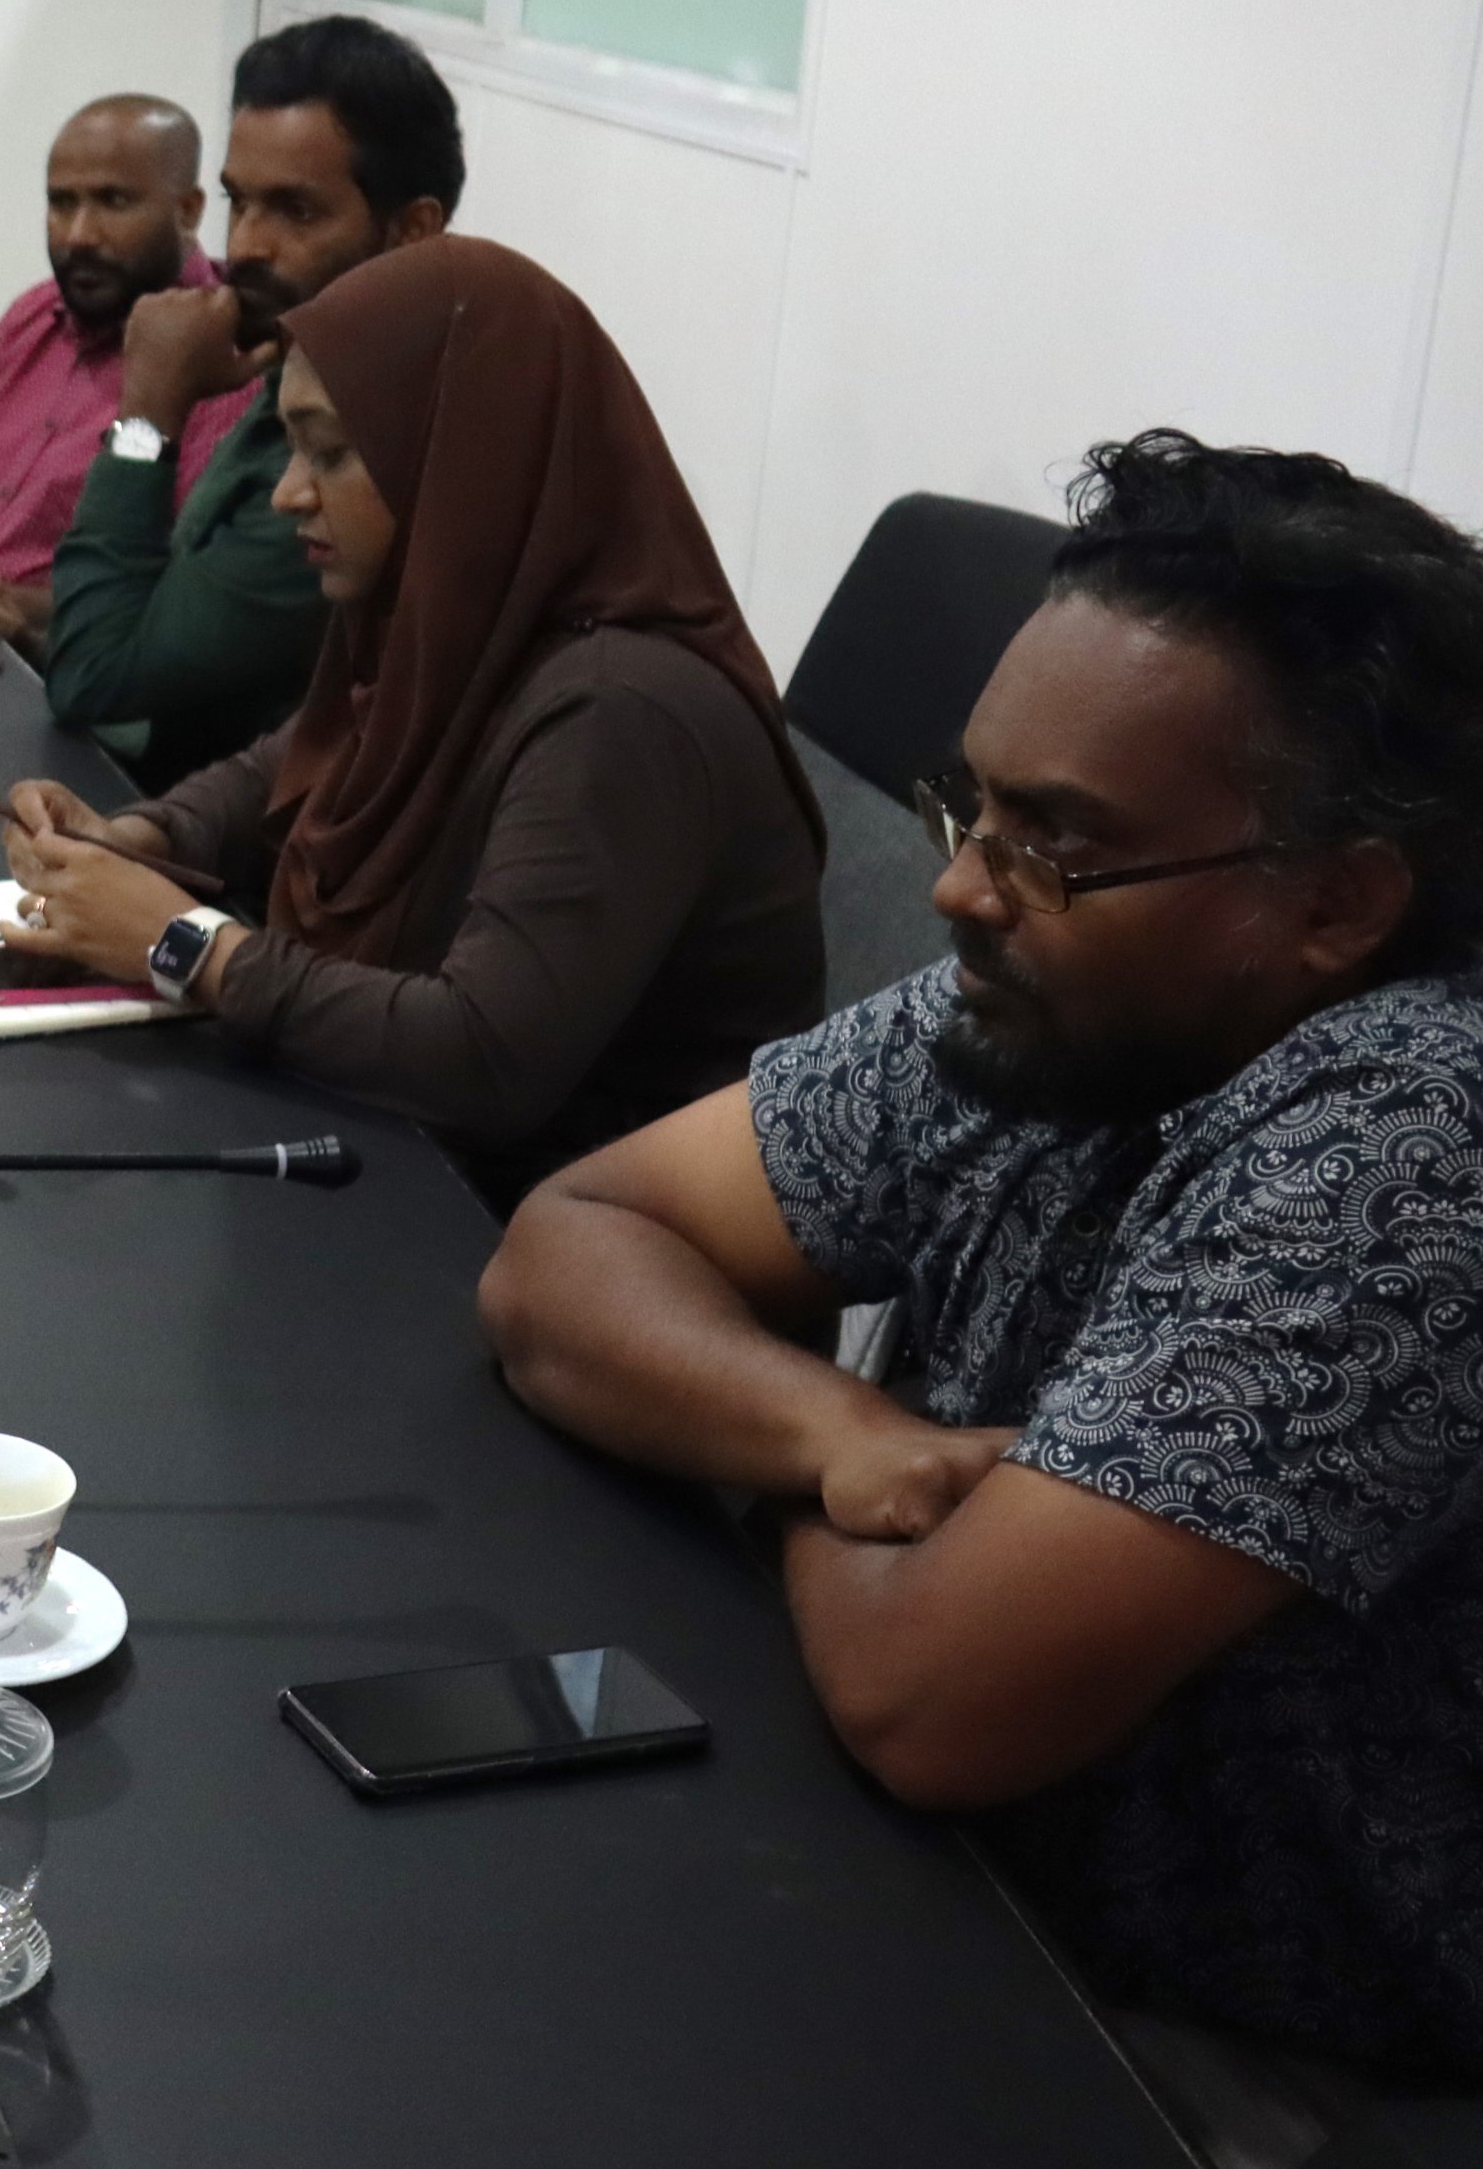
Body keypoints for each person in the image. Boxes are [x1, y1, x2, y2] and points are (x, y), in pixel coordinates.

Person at [477, 434, 1483, 2104]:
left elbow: (927, 1699)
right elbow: (568, 1248)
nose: (958, 884)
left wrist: (750, 1448)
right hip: (915, 1867)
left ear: (1336, 906)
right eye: (973, 805)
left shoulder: (1418, 1140)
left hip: (1219, 2043)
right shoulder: (1056, 994)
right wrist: (842, 1441)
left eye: (1053, 843)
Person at [0, 235, 823, 1205]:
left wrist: (184, 944)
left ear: (467, 457)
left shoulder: (623, 712)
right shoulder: (460, 623)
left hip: (564, 1241)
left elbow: (483, 1056)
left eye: (331, 453)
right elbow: (287, 767)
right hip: (417, 1173)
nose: (288, 491)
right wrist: (141, 838)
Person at [0, 15, 463, 789]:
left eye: (296, 211)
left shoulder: (361, 451)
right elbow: (165, 618)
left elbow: (98, 681)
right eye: (243, 204)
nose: (246, 247)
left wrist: (146, 413)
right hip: (185, 803)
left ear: (412, 231)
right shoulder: (288, 366)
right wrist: (24, 611)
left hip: (203, 819)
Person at [0, 94, 225, 596]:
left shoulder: (220, 359)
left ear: (187, 211)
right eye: (62, 203)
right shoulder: (34, 313)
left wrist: (11, 605)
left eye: (113, 202)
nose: (79, 235)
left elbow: (172, 596)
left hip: (45, 643)